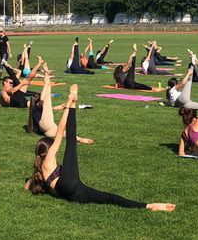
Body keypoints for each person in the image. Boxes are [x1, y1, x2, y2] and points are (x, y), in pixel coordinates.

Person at [26, 84, 174, 211]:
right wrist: (68, 104)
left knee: (106, 197)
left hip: (72, 191)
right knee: (71, 141)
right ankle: (73, 103)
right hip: (67, 184)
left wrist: (27, 185)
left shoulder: (38, 171)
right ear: (48, 149)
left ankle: (147, 206)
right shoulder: (49, 157)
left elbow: (28, 184)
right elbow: (60, 133)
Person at [26, 66, 93, 143]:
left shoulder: (40, 111)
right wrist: (46, 83)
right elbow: (42, 100)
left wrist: (61, 106)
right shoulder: (36, 107)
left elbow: (52, 108)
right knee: (47, 95)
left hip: (49, 131)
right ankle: (49, 84)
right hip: (46, 125)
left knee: (62, 132)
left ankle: (79, 139)